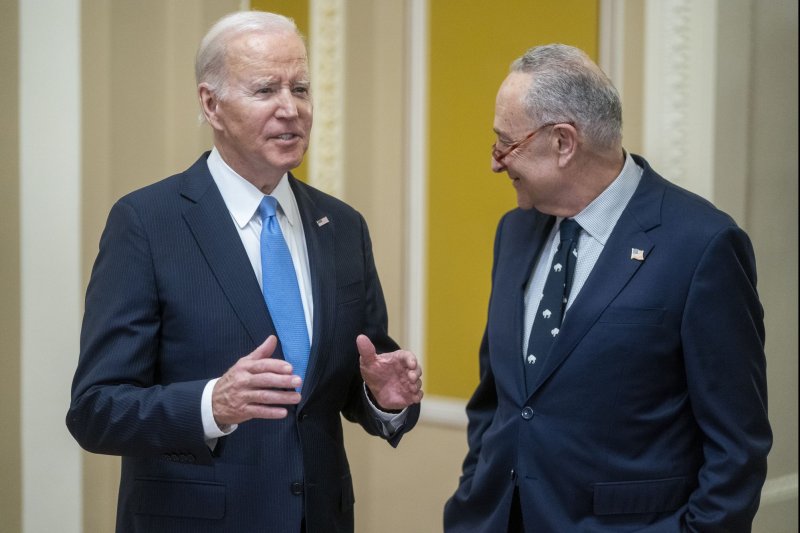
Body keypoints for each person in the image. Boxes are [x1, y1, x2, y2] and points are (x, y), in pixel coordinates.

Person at [66, 11, 422, 533]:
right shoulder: (147, 223)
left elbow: (351, 380)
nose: (290, 109)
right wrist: (214, 403)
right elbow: (96, 411)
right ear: (211, 104)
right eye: (265, 90)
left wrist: (381, 399)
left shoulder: (343, 227)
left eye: (300, 88)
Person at [443, 44, 771, 533]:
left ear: (563, 142)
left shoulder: (701, 245)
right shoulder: (515, 231)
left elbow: (736, 448)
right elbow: (498, 400)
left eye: (505, 143)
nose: (496, 163)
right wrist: (476, 490)